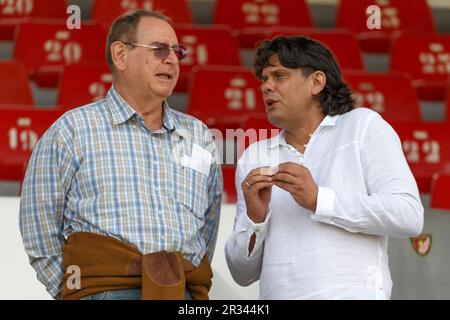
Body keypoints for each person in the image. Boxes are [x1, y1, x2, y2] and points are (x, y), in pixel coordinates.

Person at [20, 10, 222, 300]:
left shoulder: (199, 136)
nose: (172, 59)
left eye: (177, 51)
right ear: (120, 55)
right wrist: (78, 293)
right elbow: (38, 227)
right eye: (159, 49)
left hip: (181, 293)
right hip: (103, 291)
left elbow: (208, 224)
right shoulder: (72, 130)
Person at [225, 36, 424, 299]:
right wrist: (255, 219)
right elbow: (242, 274)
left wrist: (319, 199)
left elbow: (408, 215)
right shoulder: (255, 155)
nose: (266, 87)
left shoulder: (362, 125)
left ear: (316, 82)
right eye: (264, 79)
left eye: (279, 76)